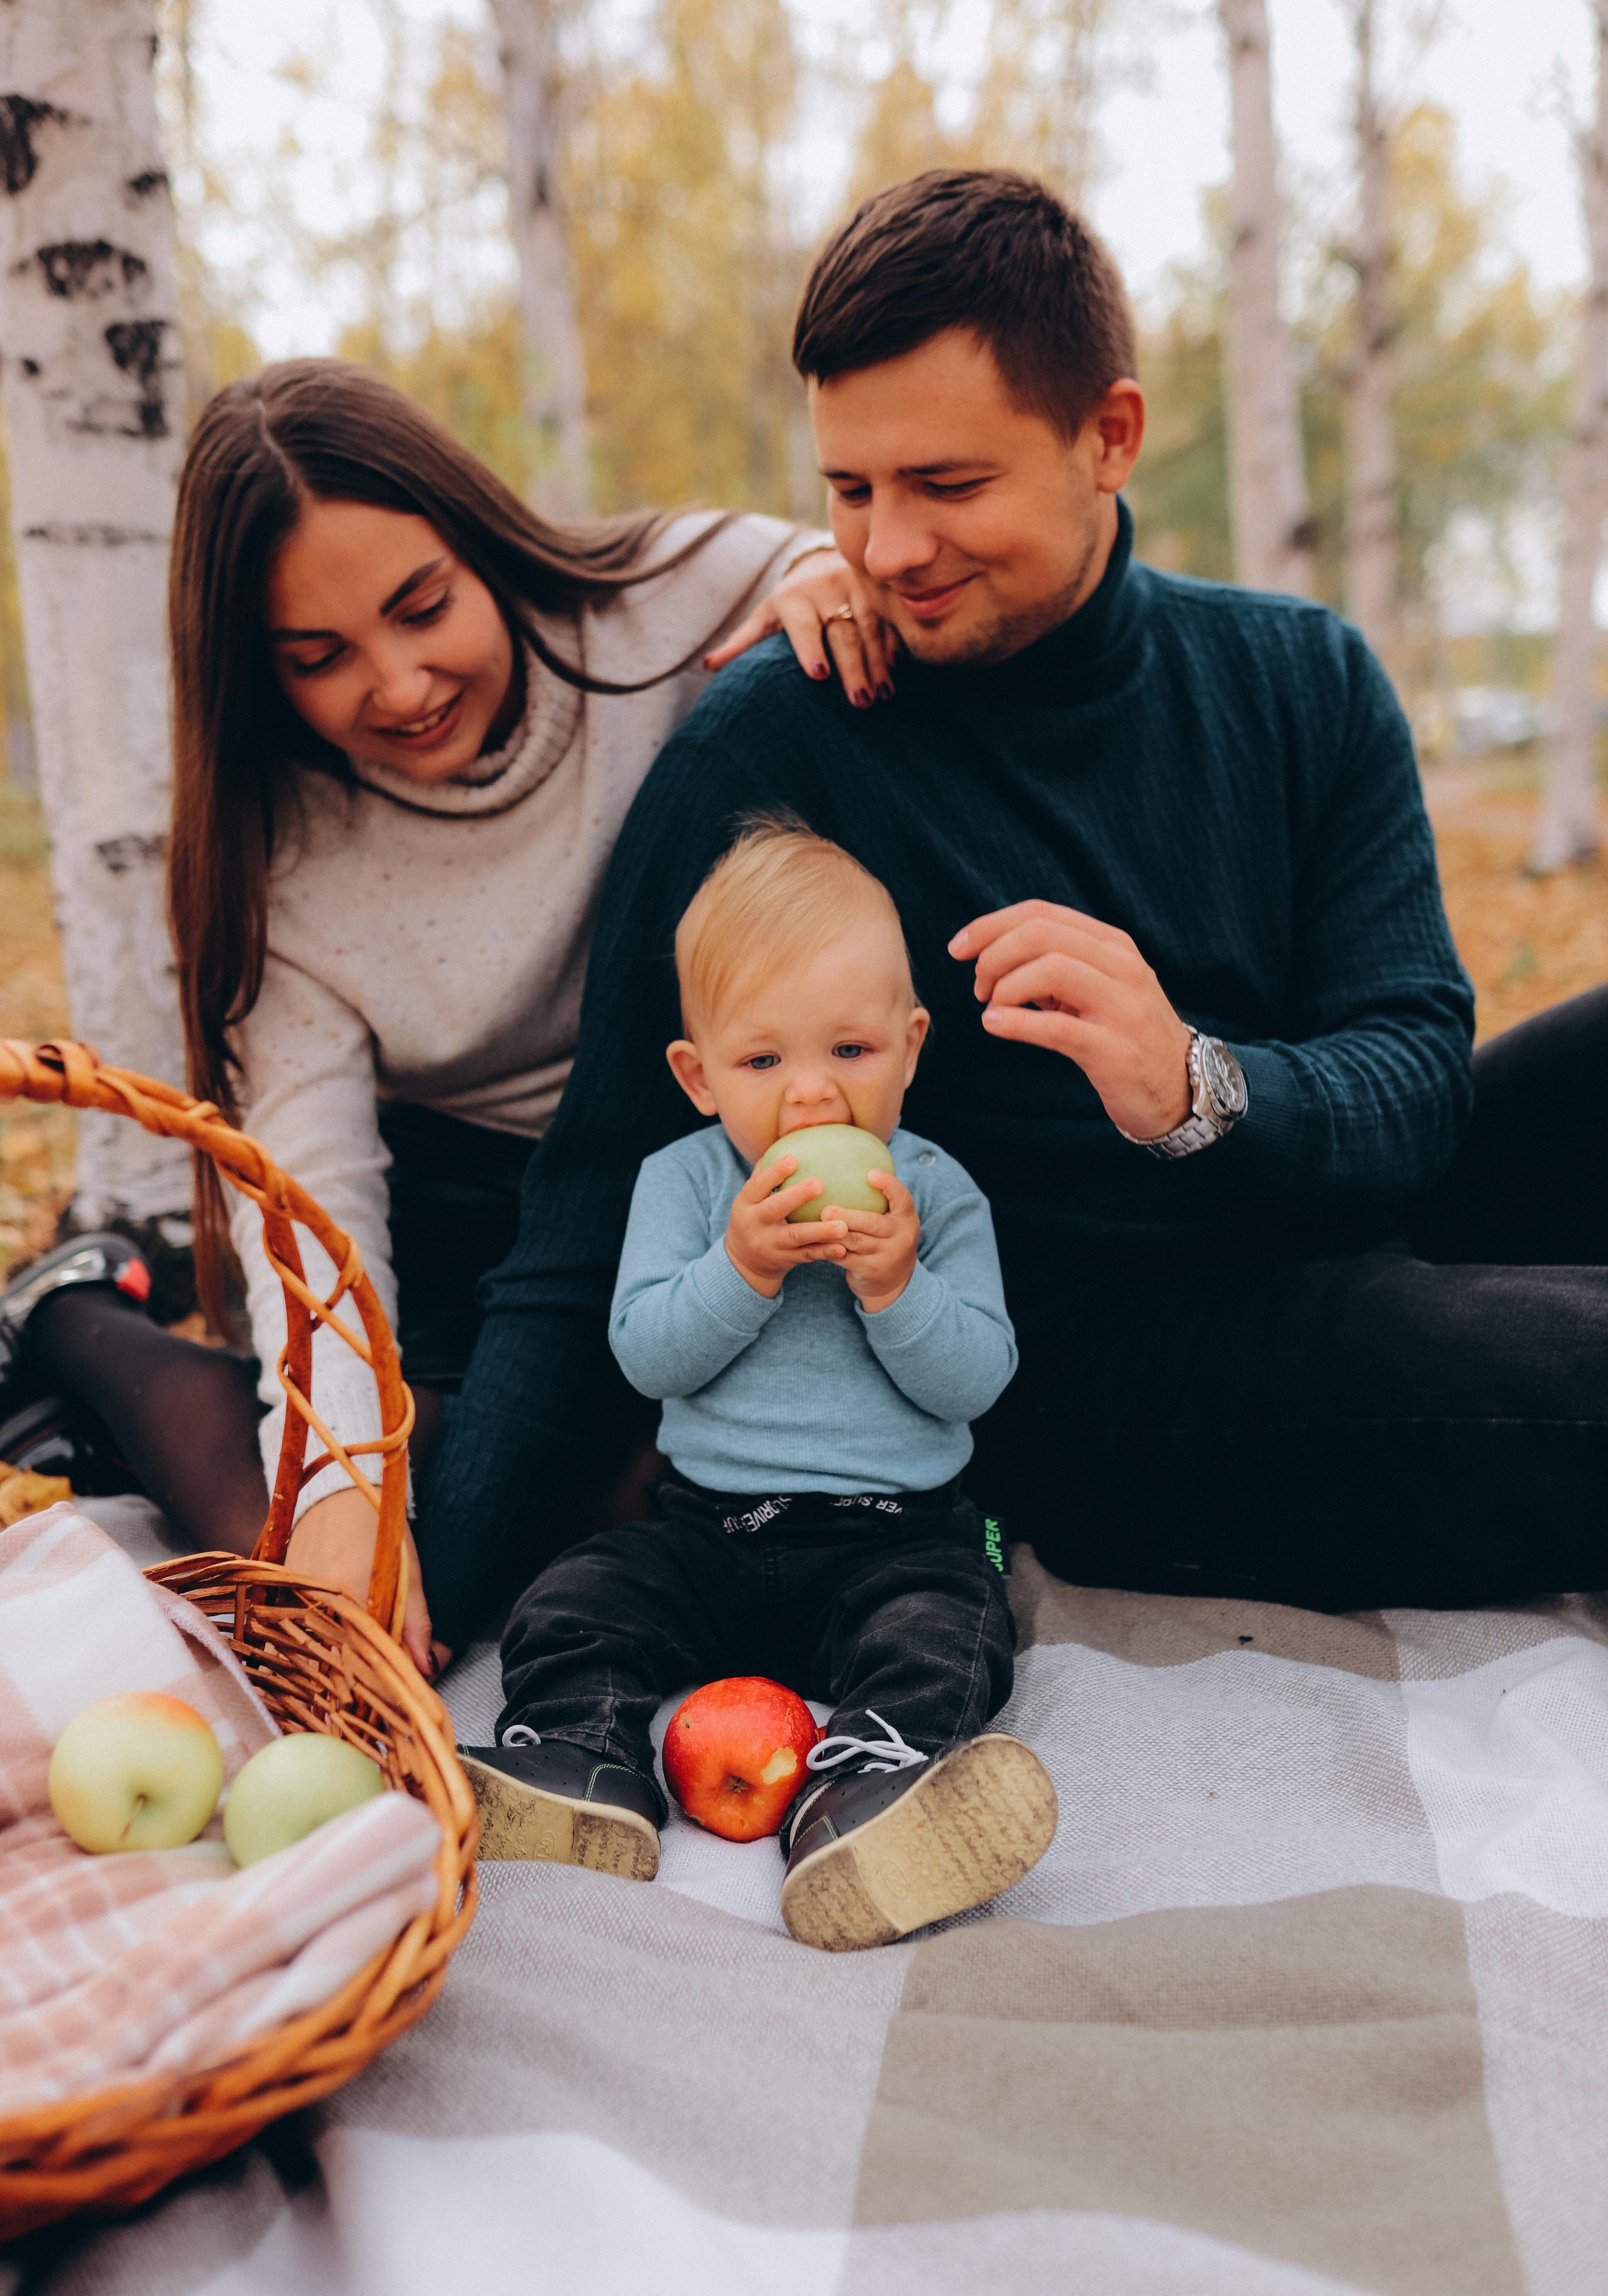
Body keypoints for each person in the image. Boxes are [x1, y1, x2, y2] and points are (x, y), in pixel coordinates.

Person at [420, 165, 1608, 1641]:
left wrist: (1192, 1084)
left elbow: (1416, 1086)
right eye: (848, 491)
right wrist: (422, 1598)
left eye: (947, 484)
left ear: (1106, 436)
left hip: (1339, 1213)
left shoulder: (1301, 676)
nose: (886, 548)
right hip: (1092, 1373)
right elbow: (588, 1206)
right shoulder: (771, 746)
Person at [0, 359, 894, 1675]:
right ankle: (81, 1324)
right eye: (319, 659)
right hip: (456, 1210)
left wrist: (836, 577)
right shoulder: (283, 855)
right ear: (259, 670)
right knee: (358, 1570)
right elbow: (319, 1189)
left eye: (423, 607)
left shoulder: (674, 603)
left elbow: (899, 571)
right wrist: (341, 1484)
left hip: (678, 1162)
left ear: (481, 543)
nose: (402, 683)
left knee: (712, 1484)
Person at [458, 819, 1054, 1951]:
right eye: (764, 1062)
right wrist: (742, 1268)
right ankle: (582, 1764)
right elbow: (647, 1355)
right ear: (698, 1075)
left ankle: (868, 1790)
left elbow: (975, 1382)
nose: (813, 1099)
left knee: (960, 1627)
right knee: (575, 1597)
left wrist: (896, 1286)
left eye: (851, 1052)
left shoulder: (937, 1193)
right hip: (710, 1533)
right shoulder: (681, 1187)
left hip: (898, 1533)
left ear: (911, 1046)